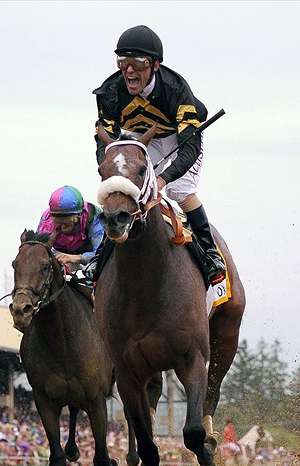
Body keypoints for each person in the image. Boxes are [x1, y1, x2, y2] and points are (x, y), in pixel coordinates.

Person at [88, 24, 225, 286]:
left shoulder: (176, 90)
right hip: (137, 138)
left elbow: (190, 148)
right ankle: (100, 257)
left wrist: (163, 179)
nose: (129, 70)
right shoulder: (110, 93)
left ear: (155, 65)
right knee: (123, 189)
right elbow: (102, 143)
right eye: (123, 61)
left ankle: (210, 253)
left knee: (179, 192)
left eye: (138, 62)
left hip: (179, 137)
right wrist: (111, 173)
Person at [35, 185, 104, 277]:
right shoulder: (46, 220)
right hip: (58, 255)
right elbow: (37, 252)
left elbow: (100, 253)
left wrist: (77, 258)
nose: (63, 227)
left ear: (80, 215)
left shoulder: (94, 215)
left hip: (88, 257)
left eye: (67, 222)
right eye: (58, 222)